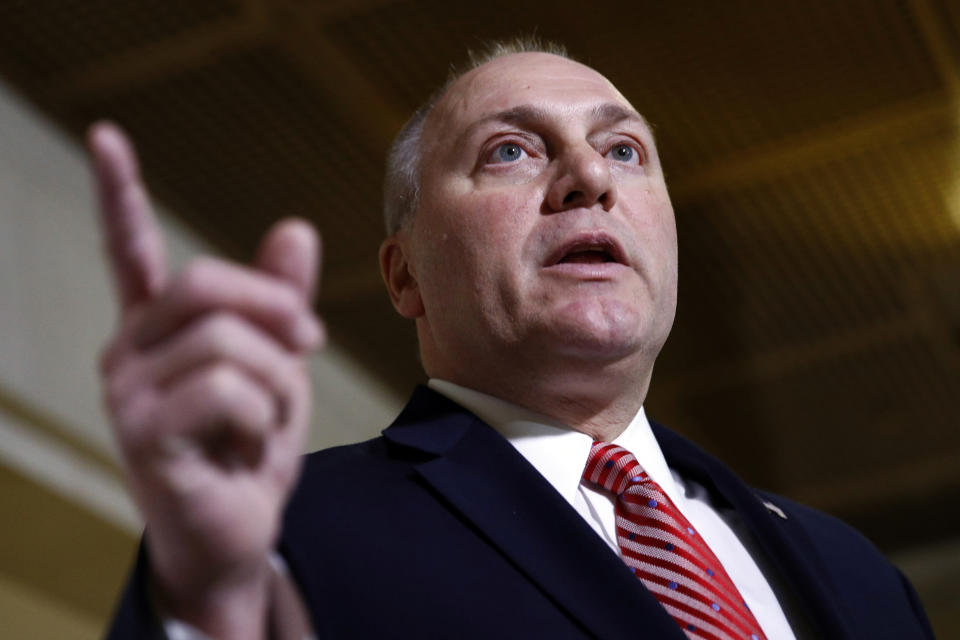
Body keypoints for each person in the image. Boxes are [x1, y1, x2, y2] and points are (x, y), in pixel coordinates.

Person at [95, 41, 933, 639]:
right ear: (404, 276)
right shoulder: (288, 533)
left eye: (624, 149)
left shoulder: (859, 573)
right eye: (509, 151)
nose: (591, 179)